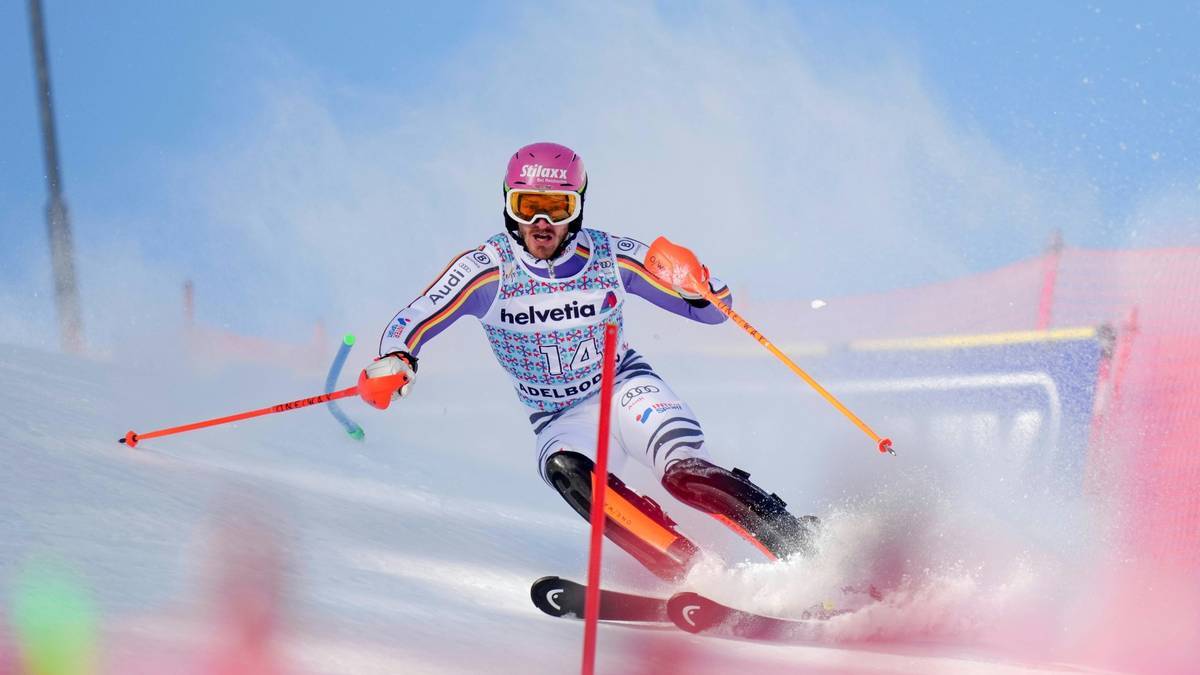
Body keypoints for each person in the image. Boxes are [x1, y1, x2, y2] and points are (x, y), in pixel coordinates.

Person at [363, 142, 816, 581]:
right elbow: (415, 317)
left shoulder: (610, 255)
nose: (541, 223)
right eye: (527, 206)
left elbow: (713, 312)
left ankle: (803, 547)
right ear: (508, 205)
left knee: (684, 476)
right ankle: (693, 573)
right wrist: (397, 359)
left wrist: (697, 281)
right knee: (567, 471)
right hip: (558, 415)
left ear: (577, 209)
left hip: (626, 388)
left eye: (557, 209)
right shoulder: (487, 268)